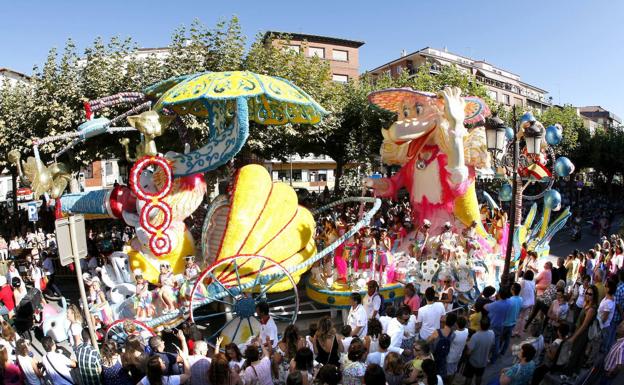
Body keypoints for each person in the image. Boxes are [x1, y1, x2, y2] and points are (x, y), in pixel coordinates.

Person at [567, 284, 599, 373]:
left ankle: (569, 373)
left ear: (594, 296)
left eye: (590, 294)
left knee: (575, 353)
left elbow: (584, 325)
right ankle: (574, 372)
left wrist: (574, 337)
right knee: (577, 353)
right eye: (586, 293)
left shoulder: (591, 309)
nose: (587, 295)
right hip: (579, 330)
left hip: (583, 334)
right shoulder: (586, 303)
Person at [463, 317, 495, 385]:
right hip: (483, 362)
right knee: (479, 376)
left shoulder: (475, 336)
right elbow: (492, 346)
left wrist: (466, 351)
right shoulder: (492, 334)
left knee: (469, 377)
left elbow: (469, 352)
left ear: (480, 325)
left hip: (473, 362)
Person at [485, 287, 511, 364]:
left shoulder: (496, 304)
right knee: (497, 341)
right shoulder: (509, 302)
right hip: (501, 324)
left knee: (489, 342)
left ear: (499, 294)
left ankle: (486, 357)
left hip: (493, 325)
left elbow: (485, 307)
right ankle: (493, 358)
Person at [428, 312, 456, 377]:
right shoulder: (453, 334)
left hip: (433, 356)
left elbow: (428, 341)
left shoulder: (437, 332)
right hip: (443, 358)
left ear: (446, 320)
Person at [501, 283, 522, 356]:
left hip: (505, 323)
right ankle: (503, 352)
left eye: (512, 288)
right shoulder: (521, 299)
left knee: (501, 338)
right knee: (507, 339)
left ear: (513, 290)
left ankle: (498, 351)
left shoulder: (509, 300)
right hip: (513, 322)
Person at [447, 316, 469, 382]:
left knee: (449, 372)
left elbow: (448, 343)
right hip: (459, 355)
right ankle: (451, 381)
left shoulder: (454, 334)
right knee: (454, 370)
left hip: (451, 356)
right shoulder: (467, 331)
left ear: (456, 324)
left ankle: (449, 382)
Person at [513, 271, 535, 337]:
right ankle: (520, 332)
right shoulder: (533, 282)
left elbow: (520, 291)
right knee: (523, 318)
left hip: (523, 302)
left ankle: (513, 332)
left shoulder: (523, 282)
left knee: (517, 317)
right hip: (530, 302)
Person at [598, 280, 616, 353]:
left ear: (608, 289)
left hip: (603, 327)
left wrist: (598, 326)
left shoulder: (609, 303)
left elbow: (604, 319)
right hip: (603, 327)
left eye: (605, 286)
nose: (604, 287)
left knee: (600, 347)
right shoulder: (611, 298)